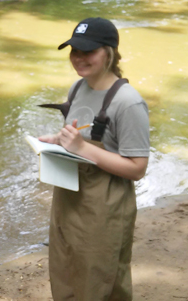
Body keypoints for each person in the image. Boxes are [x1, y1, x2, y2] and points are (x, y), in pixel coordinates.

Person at [38, 17, 150, 301]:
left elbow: (137, 168)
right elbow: (78, 138)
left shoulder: (129, 102)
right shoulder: (78, 88)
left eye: (88, 51)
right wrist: (57, 142)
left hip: (106, 206)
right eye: (75, 50)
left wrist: (82, 149)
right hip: (68, 197)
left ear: (109, 53)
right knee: (65, 270)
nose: (79, 58)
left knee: (102, 279)